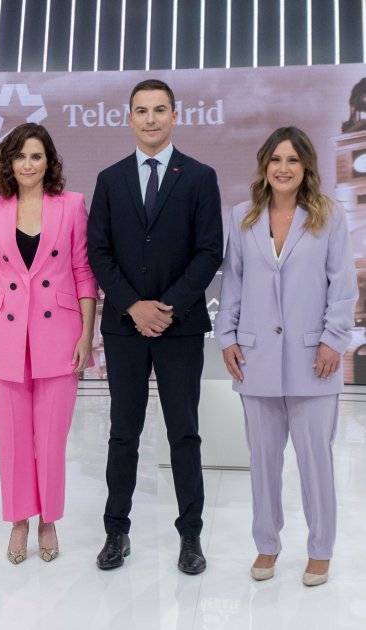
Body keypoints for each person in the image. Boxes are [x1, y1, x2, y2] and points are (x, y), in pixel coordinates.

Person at [88, 79, 223, 573]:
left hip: (179, 326)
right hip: (124, 329)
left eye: (159, 110)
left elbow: (210, 250)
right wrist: (132, 306)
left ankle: (191, 537)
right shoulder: (110, 179)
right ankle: (115, 532)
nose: (150, 119)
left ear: (174, 116)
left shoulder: (200, 177)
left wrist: (165, 306)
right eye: (141, 111)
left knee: (184, 433)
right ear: (129, 118)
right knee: (123, 433)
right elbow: (98, 252)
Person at [215, 126, 357, 587]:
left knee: (315, 461)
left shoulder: (329, 216)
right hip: (255, 358)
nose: (283, 167)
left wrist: (334, 340)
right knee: (263, 461)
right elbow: (233, 283)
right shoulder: (243, 216)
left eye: (292, 159)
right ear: (264, 165)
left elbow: (343, 286)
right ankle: (267, 544)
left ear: (306, 166)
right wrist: (227, 337)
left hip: (315, 359)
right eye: (275, 159)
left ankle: (320, 550)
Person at [0, 123, 97, 564]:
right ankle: (18, 520)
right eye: (20, 156)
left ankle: (48, 520)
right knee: (12, 438)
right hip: (5, 336)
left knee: (51, 439)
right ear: (8, 162)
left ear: (49, 162)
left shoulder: (72, 205)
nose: (28, 164)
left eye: (36, 156)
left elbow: (83, 272)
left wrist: (87, 334)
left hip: (60, 335)